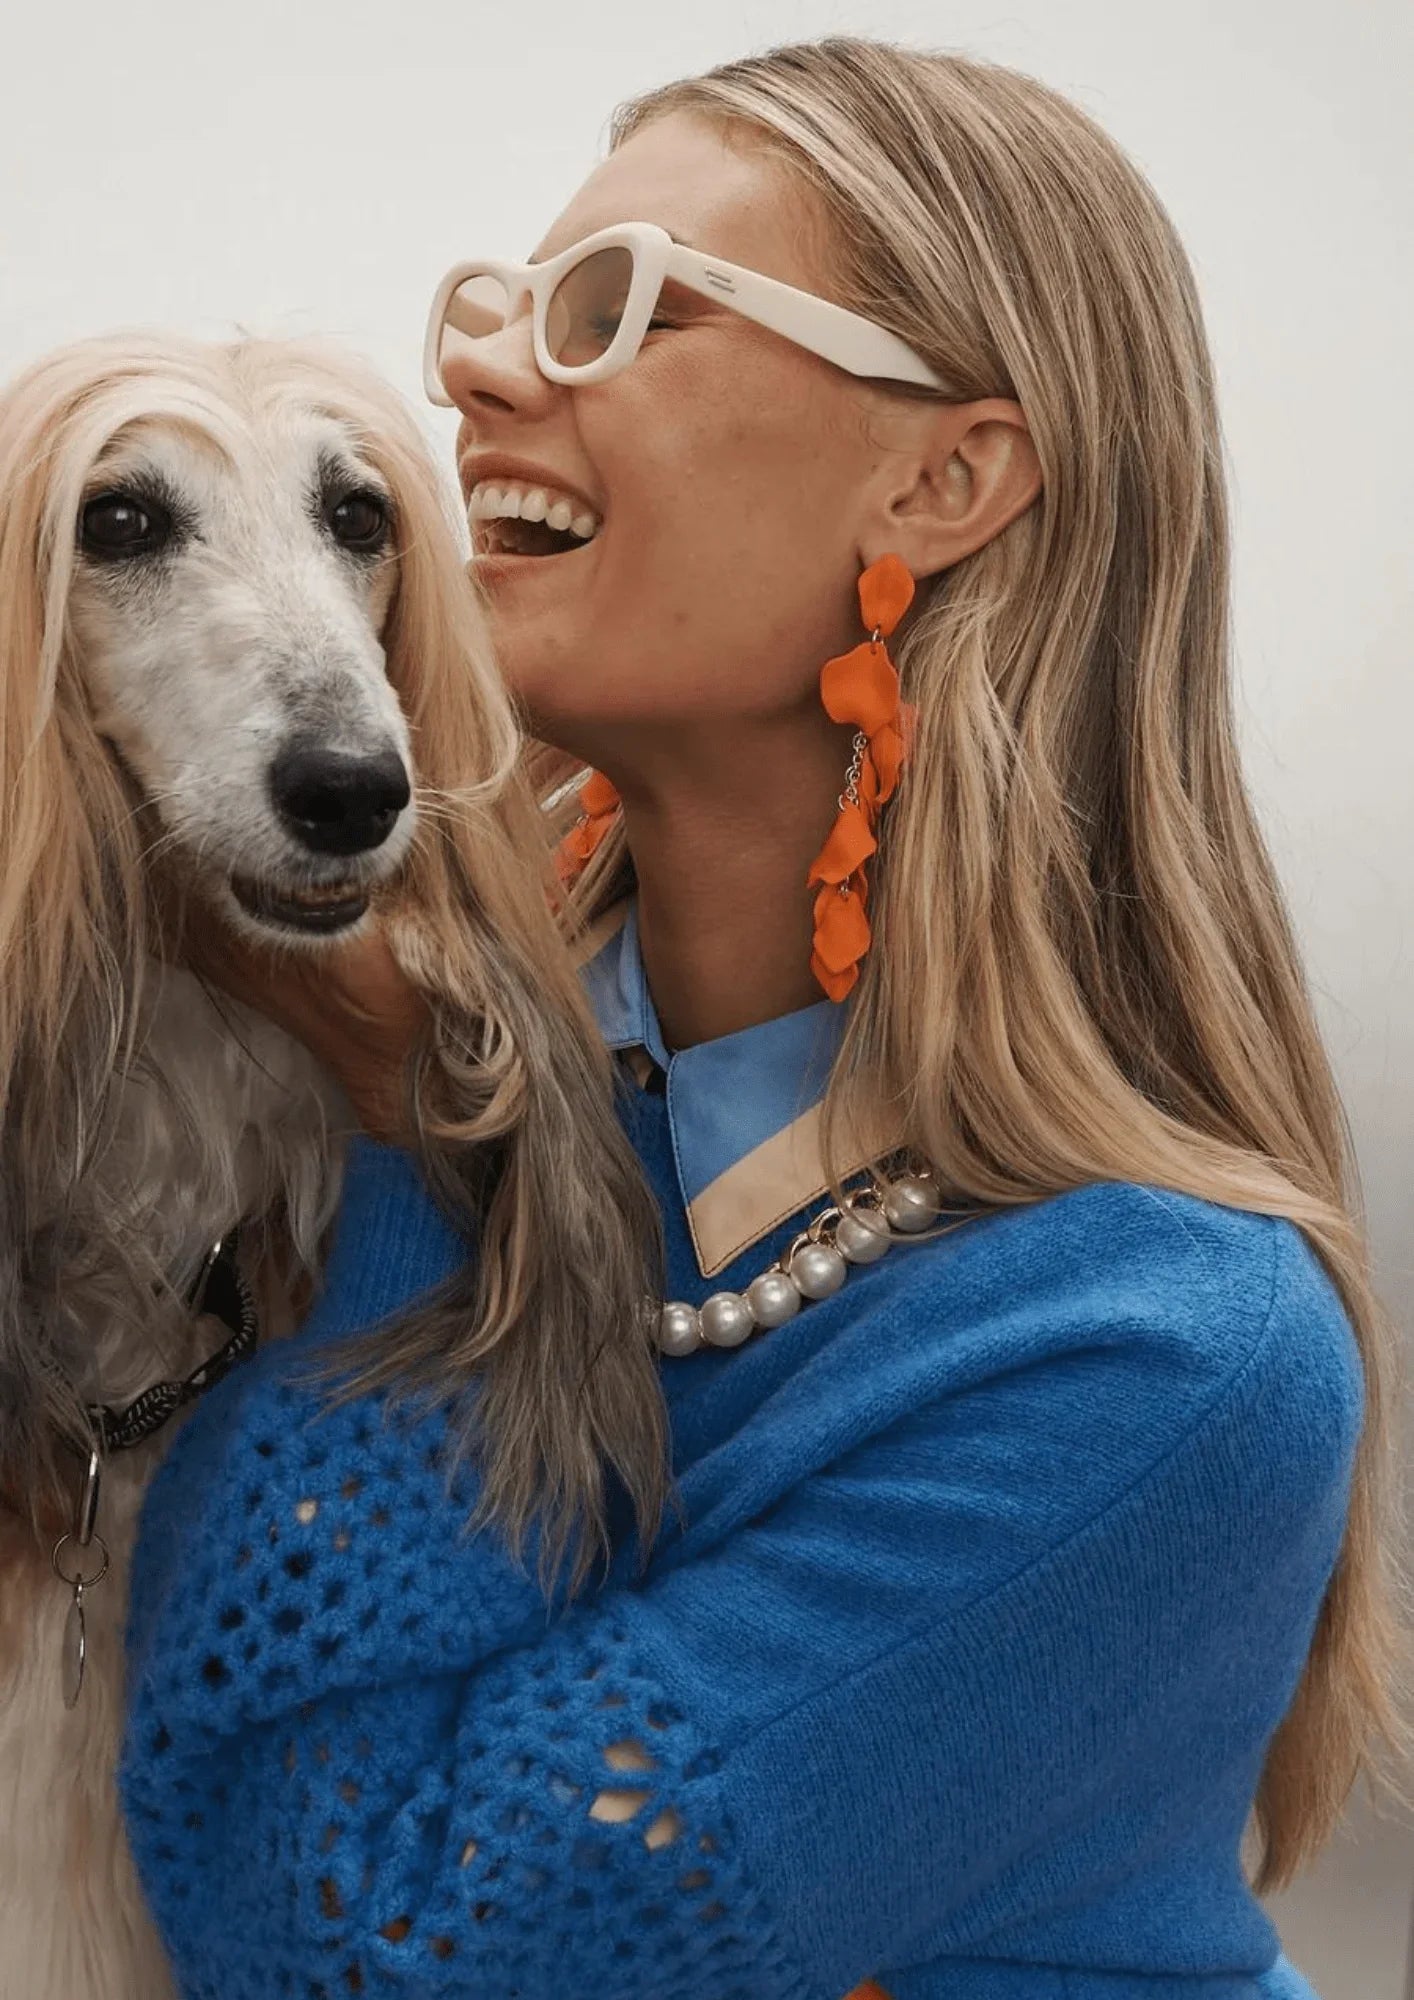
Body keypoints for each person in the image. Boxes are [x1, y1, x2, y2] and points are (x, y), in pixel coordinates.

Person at [118, 36, 1407, 2000]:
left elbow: (373, 1955)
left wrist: (407, 1141)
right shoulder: (287, 1122)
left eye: (608, 308)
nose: (465, 375)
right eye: (486, 308)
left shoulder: (1165, 1361)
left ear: (945, 475)